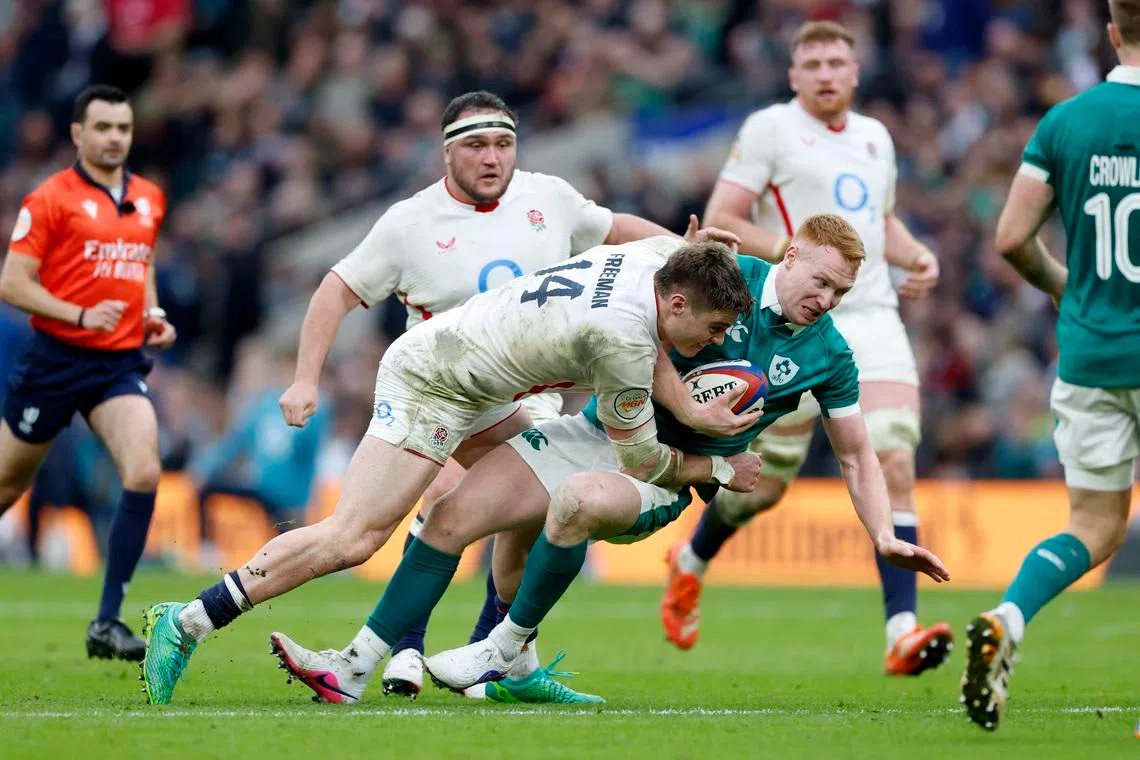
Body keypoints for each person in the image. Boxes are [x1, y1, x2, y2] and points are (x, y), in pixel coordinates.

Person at [263, 214, 949, 703]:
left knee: (579, 502)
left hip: (663, 474)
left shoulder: (830, 355)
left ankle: (505, 644)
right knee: (447, 514)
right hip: (597, 431)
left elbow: (858, 456)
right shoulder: (719, 272)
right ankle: (355, 667)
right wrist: (682, 399)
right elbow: (637, 312)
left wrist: (884, 533)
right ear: (791, 253)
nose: (824, 301)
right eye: (821, 281)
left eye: (839, 294)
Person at [141, 224, 758, 705]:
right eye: (712, 327)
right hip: (434, 381)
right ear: (676, 303)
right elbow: (642, 459)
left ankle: (496, 665)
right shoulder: (623, 340)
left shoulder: (653, 256)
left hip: (482, 378)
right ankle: (190, 620)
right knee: (354, 536)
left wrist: (702, 255)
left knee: (533, 482)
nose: (714, 340)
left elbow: (678, 268)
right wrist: (714, 463)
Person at [289, 89, 683, 703]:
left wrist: (682, 254)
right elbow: (336, 290)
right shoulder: (408, 223)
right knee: (448, 503)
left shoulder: (547, 197)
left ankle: (483, 665)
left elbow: (613, 228)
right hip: (451, 395)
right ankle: (410, 651)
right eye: (476, 144)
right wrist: (305, 378)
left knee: (528, 528)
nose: (493, 157)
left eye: (504, 143)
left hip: (536, 405)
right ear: (446, 153)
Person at [660, 20, 950, 676]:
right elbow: (723, 218)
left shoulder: (876, 138)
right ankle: (692, 559)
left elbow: (879, 222)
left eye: (836, 62)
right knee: (762, 491)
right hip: (787, 318)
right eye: (811, 62)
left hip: (870, 315)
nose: (824, 73)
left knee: (891, 453)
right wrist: (797, 269)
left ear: (855, 72)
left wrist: (915, 254)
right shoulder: (771, 129)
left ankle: (901, 629)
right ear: (794, 75)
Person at [961, 0, 1140, 732]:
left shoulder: (1066, 121)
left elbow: (1010, 239)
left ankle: (1010, 614)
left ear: (1110, 31)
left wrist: (1070, 287)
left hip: (1091, 353)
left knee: (1093, 526)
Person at [0, 84, 176, 660]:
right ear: (78, 134)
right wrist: (79, 313)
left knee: (144, 469)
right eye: (103, 128)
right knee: (8, 485)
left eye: (123, 128)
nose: (114, 138)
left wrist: (151, 312)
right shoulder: (49, 199)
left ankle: (107, 622)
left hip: (117, 363)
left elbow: (141, 259)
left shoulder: (149, 196)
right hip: (54, 360)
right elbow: (13, 283)